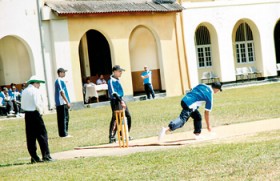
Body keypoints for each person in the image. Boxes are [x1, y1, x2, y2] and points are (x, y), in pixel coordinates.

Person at [158, 82, 223, 141]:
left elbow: (193, 89)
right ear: (217, 89)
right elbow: (206, 113)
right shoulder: (209, 96)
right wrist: (208, 126)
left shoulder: (202, 85)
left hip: (184, 100)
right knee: (182, 120)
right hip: (190, 105)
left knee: (197, 117)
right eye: (218, 90)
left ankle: (197, 135)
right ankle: (166, 129)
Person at [21, 75, 54, 163]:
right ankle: (46, 155)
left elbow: (22, 105)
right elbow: (37, 103)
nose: (39, 85)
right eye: (38, 83)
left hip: (27, 114)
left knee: (30, 136)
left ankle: (34, 156)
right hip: (35, 113)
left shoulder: (24, 91)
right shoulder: (35, 91)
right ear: (35, 83)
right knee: (42, 135)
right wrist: (41, 112)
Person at [108, 65, 132, 143]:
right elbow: (114, 93)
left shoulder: (117, 80)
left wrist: (122, 100)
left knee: (128, 116)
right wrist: (121, 101)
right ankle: (112, 136)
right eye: (119, 71)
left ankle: (125, 134)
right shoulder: (111, 81)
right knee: (116, 118)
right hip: (115, 101)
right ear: (114, 72)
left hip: (120, 99)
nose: (121, 72)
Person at [55, 68, 72, 138]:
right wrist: (67, 101)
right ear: (60, 73)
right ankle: (63, 134)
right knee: (62, 118)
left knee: (66, 117)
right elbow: (61, 92)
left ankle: (66, 132)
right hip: (61, 102)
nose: (64, 73)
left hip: (64, 102)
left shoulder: (63, 81)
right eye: (63, 72)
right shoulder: (59, 81)